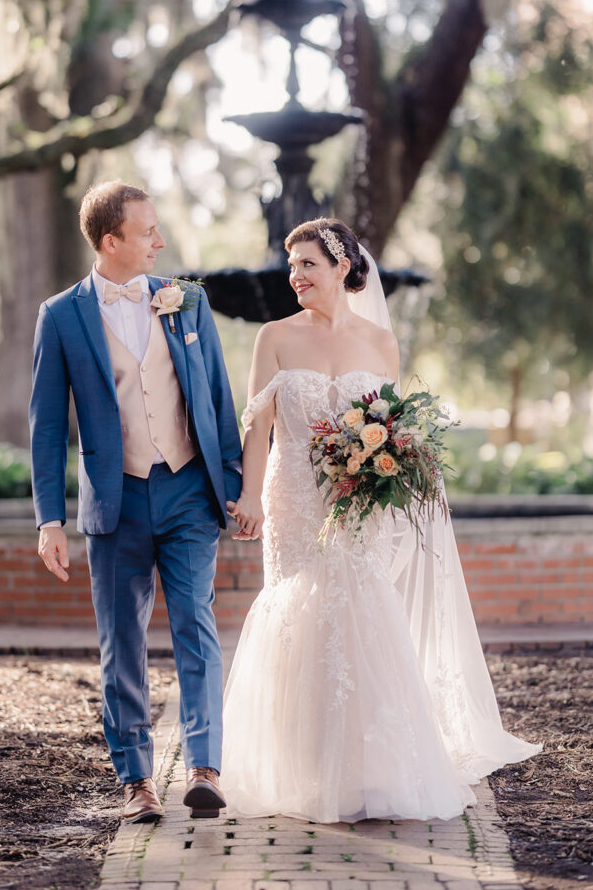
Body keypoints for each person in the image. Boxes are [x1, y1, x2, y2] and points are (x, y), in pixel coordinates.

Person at [223, 217, 540, 823]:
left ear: (342, 267)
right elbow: (256, 426)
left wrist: (394, 469)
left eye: (308, 264)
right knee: (297, 608)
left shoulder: (381, 342)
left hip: (359, 500)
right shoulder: (274, 337)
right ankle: (302, 767)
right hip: (293, 497)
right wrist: (251, 497)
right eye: (291, 267)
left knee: (362, 606)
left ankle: (374, 769)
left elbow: (389, 428)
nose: (296, 277)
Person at [29, 180, 242, 823]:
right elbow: (44, 425)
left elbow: (218, 398)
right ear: (111, 240)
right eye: (148, 231)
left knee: (195, 629)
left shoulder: (187, 301)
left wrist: (231, 485)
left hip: (187, 489)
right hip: (113, 499)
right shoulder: (61, 315)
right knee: (121, 642)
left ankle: (204, 767)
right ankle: (137, 780)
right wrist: (49, 519)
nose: (161, 240)